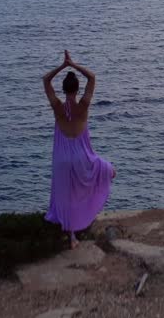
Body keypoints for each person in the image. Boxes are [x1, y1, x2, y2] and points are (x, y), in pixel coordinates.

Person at [42, 50, 115, 248]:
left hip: (62, 158)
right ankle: (85, 217)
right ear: (77, 88)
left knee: (65, 194)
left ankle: (72, 237)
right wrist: (73, 65)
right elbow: (92, 77)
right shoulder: (83, 106)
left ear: (64, 89)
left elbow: (45, 80)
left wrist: (62, 66)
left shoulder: (57, 107)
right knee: (108, 171)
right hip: (82, 157)